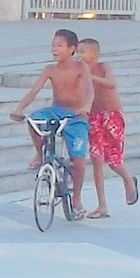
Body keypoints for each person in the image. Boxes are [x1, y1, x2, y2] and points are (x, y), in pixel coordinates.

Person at [10, 29, 93, 220]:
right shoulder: (50, 69)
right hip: (56, 110)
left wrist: (86, 106)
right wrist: (19, 109)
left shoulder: (80, 67)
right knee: (33, 119)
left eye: (60, 45)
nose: (55, 49)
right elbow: (34, 92)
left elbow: (89, 91)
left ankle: (77, 199)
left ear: (72, 49)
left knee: (79, 160)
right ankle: (40, 154)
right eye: (53, 45)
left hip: (76, 115)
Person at [76, 38, 138, 219]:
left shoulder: (104, 68)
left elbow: (110, 84)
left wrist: (90, 76)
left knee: (114, 161)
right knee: (96, 159)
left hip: (112, 115)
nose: (79, 55)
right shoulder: (80, 72)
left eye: (83, 52)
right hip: (94, 117)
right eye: (77, 52)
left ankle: (128, 179)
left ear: (94, 55)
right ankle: (102, 205)